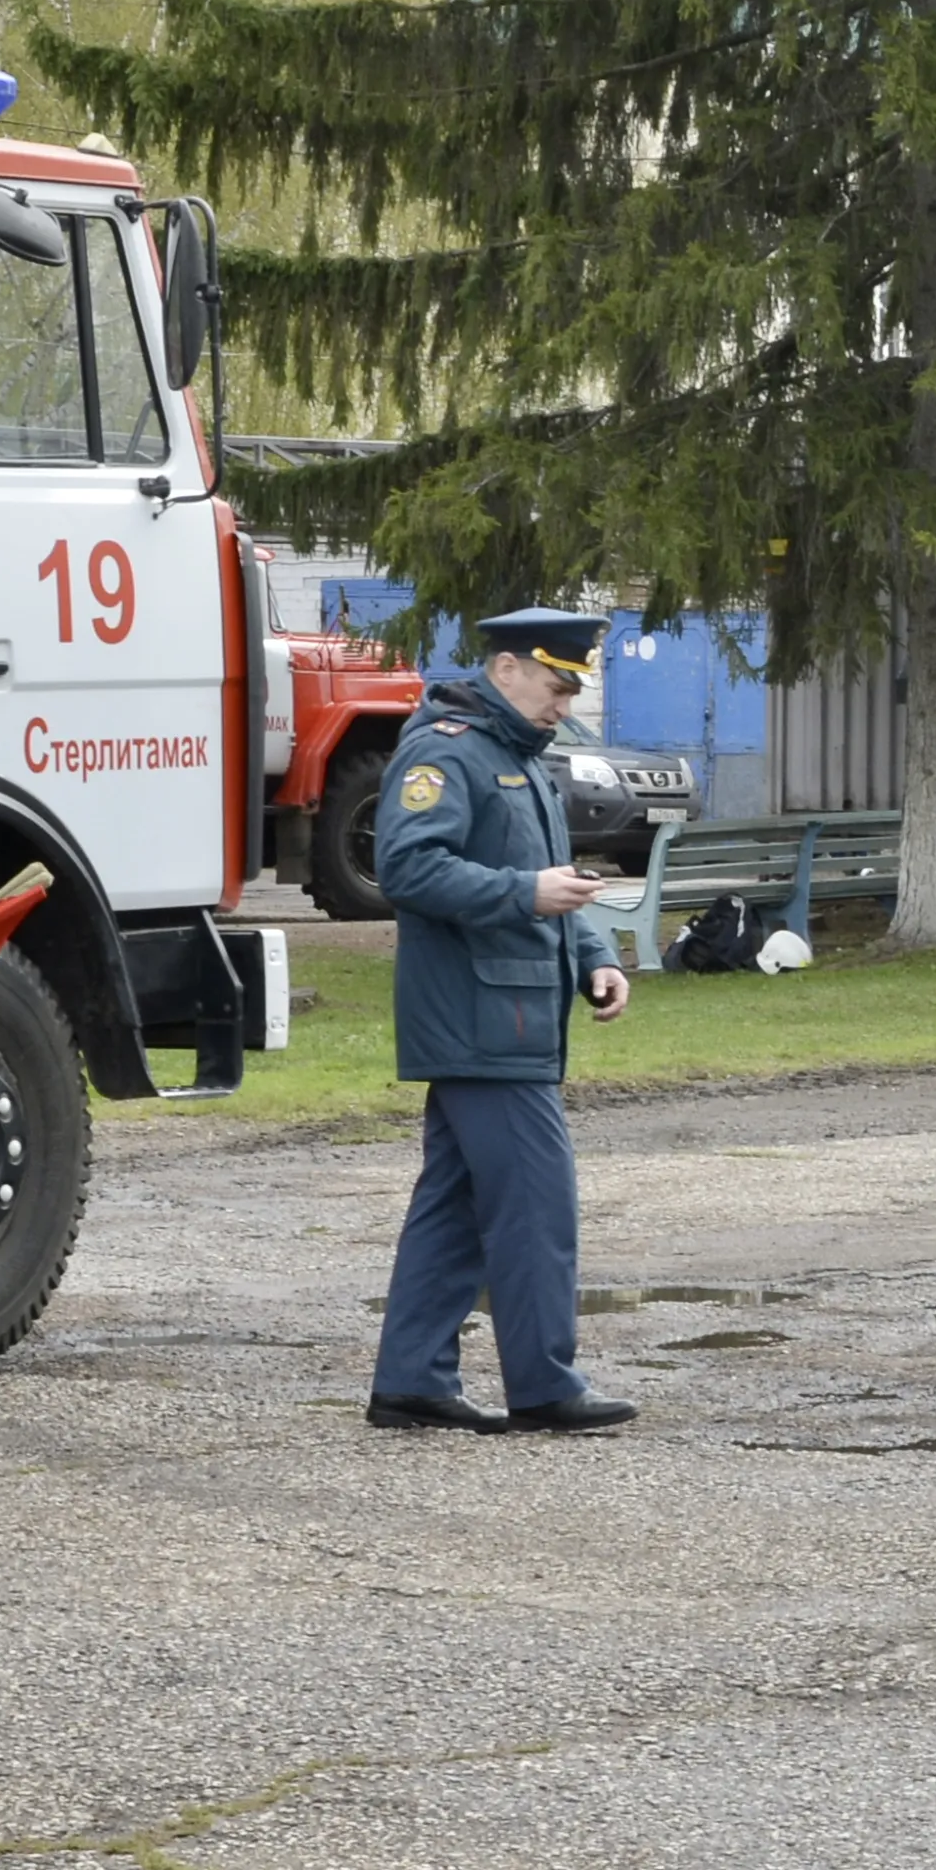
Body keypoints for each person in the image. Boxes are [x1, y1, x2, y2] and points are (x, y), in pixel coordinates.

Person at [360, 604, 637, 1435]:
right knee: (535, 1208)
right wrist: (525, 895)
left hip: (508, 1011)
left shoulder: (515, 756)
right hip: (482, 1018)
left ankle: (411, 1381)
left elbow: (546, 877)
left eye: (573, 688)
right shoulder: (446, 753)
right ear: (507, 668)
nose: (565, 703)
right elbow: (406, 867)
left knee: (454, 1206)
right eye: (556, 685)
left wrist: (594, 955)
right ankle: (545, 1386)